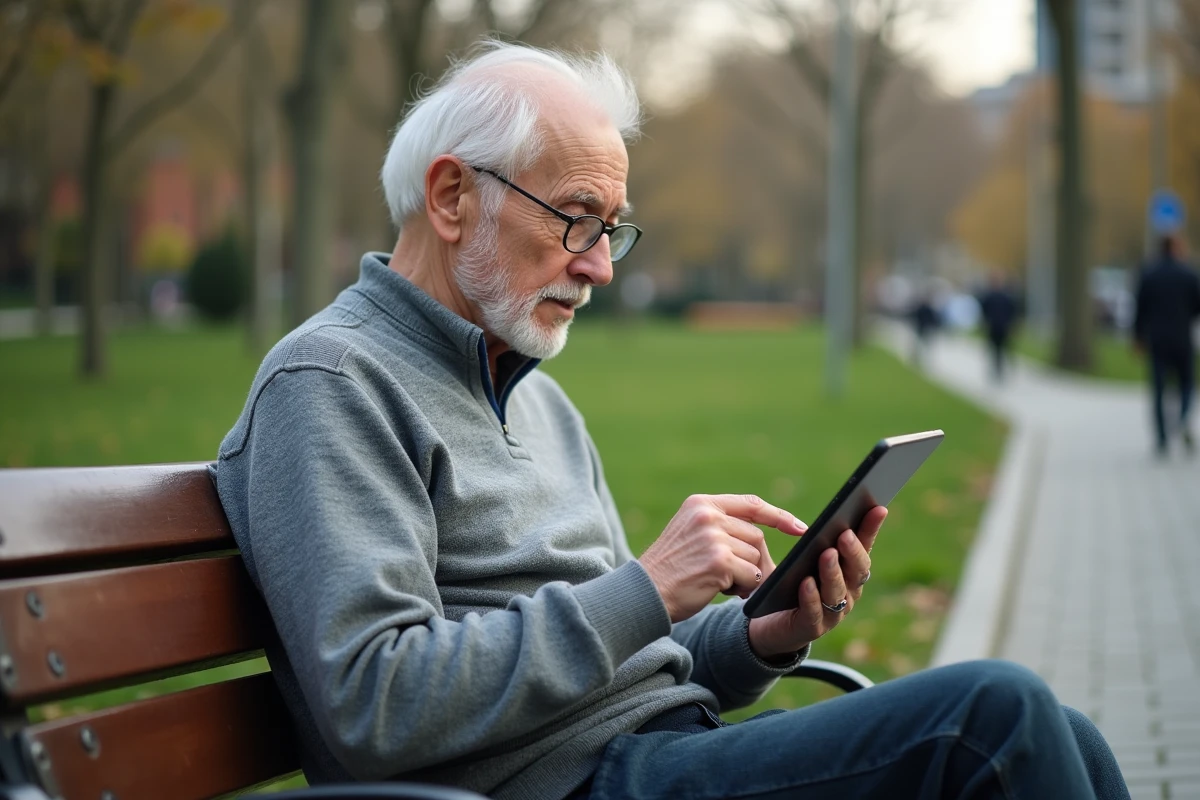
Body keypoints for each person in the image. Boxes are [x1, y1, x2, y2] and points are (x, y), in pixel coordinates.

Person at [212, 41, 1129, 800]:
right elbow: (376, 704)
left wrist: (757, 635)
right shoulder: (330, 382)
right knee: (991, 720)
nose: (601, 266)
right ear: (453, 197)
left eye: (612, 227)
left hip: (656, 754)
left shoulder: (538, 398)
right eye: (577, 218)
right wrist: (647, 587)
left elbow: (628, 653)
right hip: (567, 783)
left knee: (1066, 736)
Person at [1133, 235, 1200, 456]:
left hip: (1157, 339)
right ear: (1176, 248)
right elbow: (1197, 307)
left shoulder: (1149, 274)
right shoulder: (1189, 274)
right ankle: (1182, 419)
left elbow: (1140, 308)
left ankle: (1162, 438)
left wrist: (1138, 337)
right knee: (1187, 384)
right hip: (1182, 338)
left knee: (1158, 389)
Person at [977, 271, 1020, 383]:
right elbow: (983, 312)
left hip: (1004, 328)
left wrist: (1013, 326)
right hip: (993, 328)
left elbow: (1012, 312)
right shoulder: (988, 297)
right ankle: (996, 370)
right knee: (994, 350)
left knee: (1004, 349)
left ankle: (1004, 369)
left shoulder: (1006, 297)